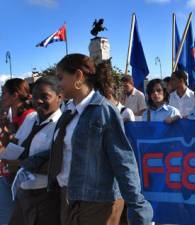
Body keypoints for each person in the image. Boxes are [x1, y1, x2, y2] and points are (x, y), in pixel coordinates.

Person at [50, 53, 153, 225]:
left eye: (61, 78)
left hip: (98, 201)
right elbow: (63, 150)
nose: (58, 84)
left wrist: (138, 206)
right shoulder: (68, 113)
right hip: (70, 196)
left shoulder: (104, 110)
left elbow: (123, 161)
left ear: (78, 76)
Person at [7, 76, 62, 225]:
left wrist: (20, 164)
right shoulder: (31, 118)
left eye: (45, 97)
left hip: (45, 196)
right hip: (23, 192)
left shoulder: (62, 126)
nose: (38, 101)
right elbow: (16, 143)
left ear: (59, 97)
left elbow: (57, 165)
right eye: (35, 96)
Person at [0, 78, 36, 224]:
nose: (2, 97)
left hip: (21, 177)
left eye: (4, 93)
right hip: (8, 174)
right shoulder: (13, 117)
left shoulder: (30, 116)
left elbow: (23, 149)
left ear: (15, 95)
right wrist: (4, 130)